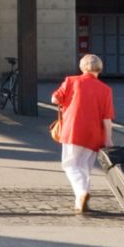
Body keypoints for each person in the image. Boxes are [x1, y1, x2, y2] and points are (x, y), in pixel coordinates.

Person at [50, 53, 116, 213]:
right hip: (95, 134)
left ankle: (81, 193)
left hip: (73, 130)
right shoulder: (106, 90)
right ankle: (80, 202)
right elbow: (107, 118)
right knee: (85, 166)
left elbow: (55, 99)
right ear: (99, 68)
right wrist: (108, 139)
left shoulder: (71, 81)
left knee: (70, 164)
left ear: (82, 67)